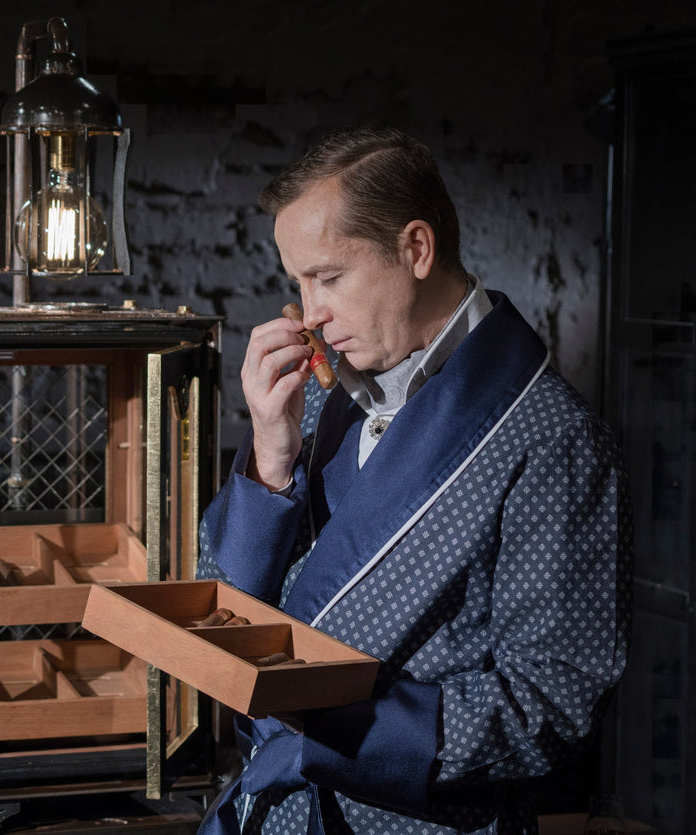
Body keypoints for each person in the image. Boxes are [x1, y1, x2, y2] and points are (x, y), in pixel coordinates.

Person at [195, 127, 632, 834]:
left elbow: (554, 701)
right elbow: (217, 609)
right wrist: (270, 462)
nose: (310, 314)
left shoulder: (553, 437)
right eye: (298, 283)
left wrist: (330, 728)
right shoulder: (316, 403)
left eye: (330, 277)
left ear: (416, 249)